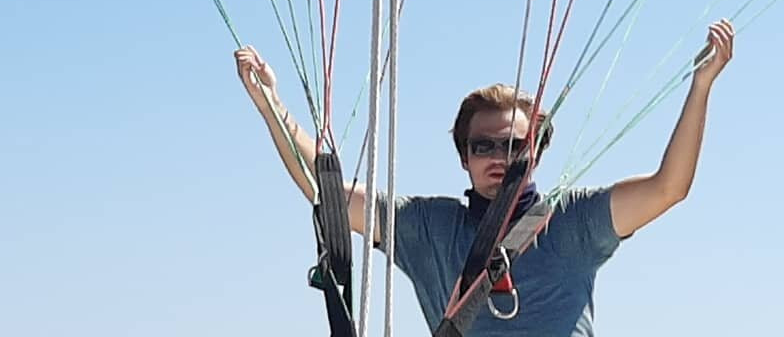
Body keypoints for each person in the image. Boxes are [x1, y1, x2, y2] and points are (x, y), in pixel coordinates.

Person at [236, 19, 734, 336]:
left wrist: (701, 87)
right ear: (463, 157)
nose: (500, 157)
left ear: (535, 153)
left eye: (514, 146)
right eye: (485, 146)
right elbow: (330, 196)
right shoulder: (429, 229)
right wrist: (271, 107)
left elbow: (669, 188)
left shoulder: (572, 222)